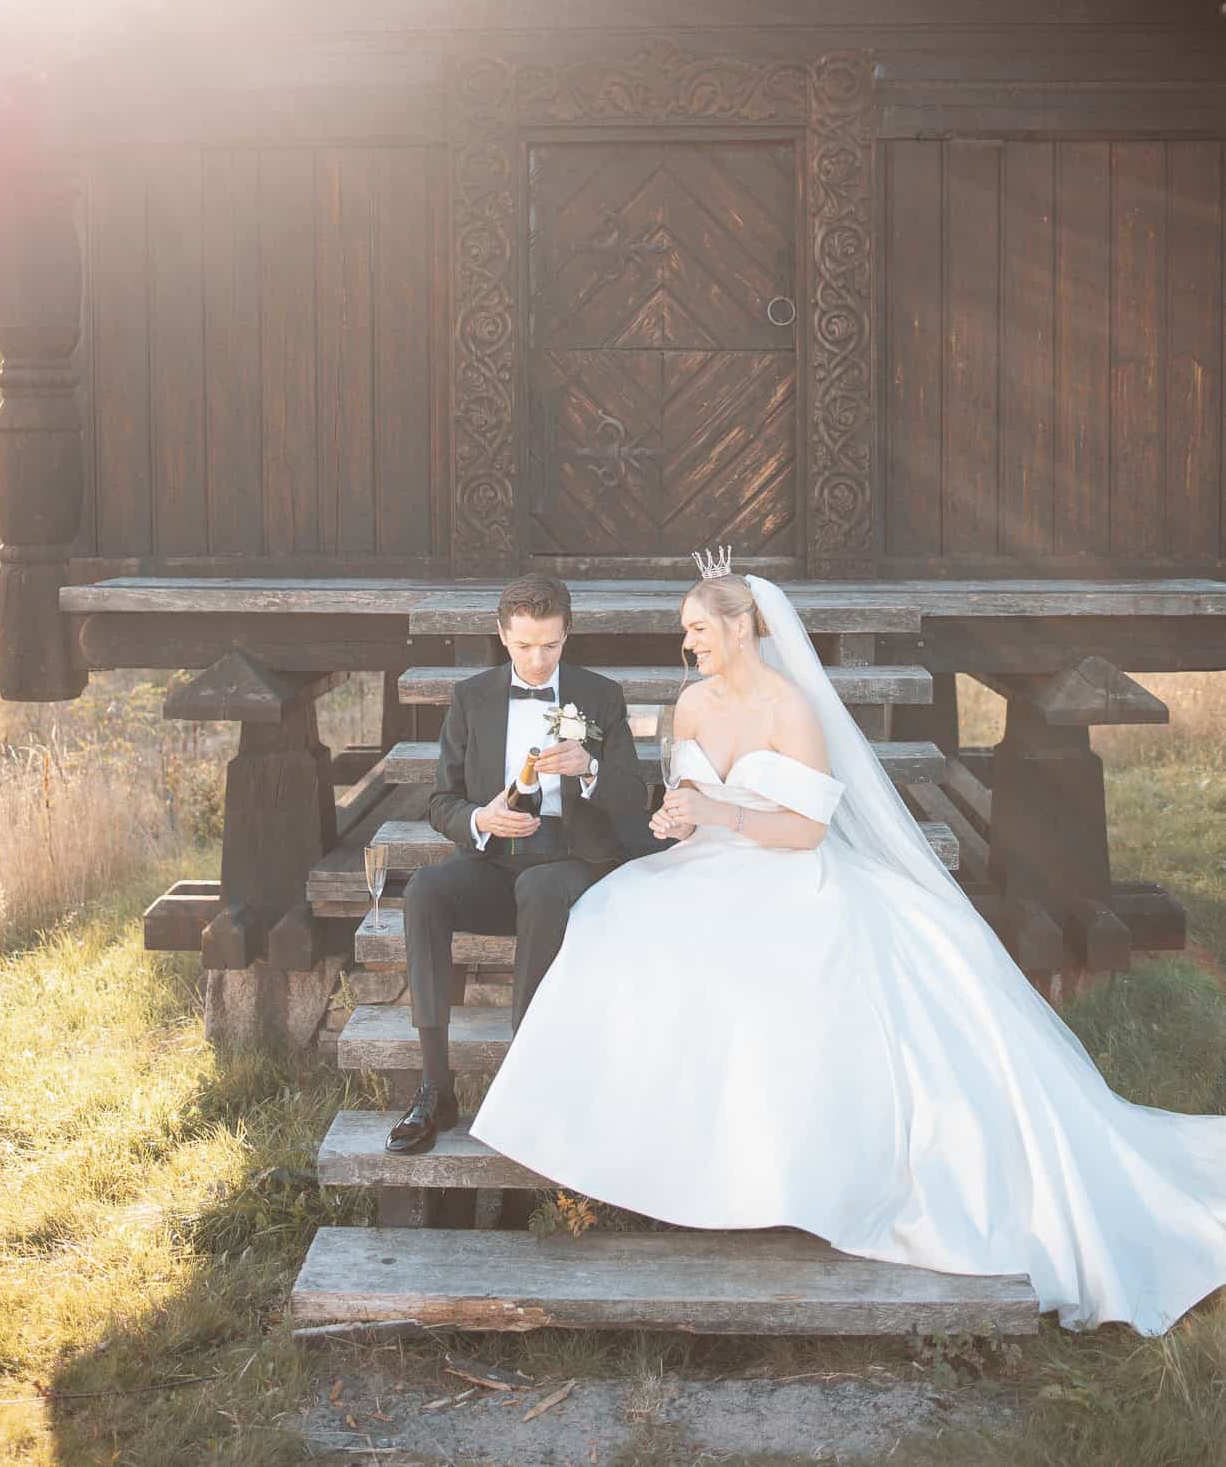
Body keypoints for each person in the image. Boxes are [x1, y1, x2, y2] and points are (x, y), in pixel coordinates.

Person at [470, 556, 1226, 1335]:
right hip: (702, 863)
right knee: (610, 918)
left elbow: (804, 830)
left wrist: (723, 819)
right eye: (684, 630)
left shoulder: (792, 709)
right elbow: (682, 798)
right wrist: (676, 821)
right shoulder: (689, 705)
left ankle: (770, 1178)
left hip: (786, 865)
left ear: (739, 626)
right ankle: (602, 1143)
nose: (686, 640)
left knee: (772, 967)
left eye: (697, 627)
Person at [388, 573, 651, 1155]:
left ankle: (527, 1086)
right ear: (502, 635)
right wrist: (480, 820)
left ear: (567, 635)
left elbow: (634, 797)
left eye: (551, 645)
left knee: (540, 887)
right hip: (494, 858)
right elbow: (440, 802)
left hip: (571, 859)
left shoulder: (599, 694)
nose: (538, 659)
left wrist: (590, 769)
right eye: (525, 645)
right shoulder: (470, 697)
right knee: (426, 890)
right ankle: (435, 1085)